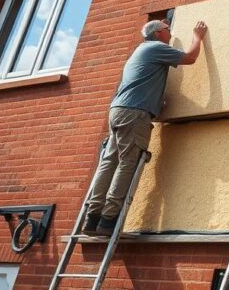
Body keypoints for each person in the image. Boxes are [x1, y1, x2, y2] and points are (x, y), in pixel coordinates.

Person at [82, 18, 208, 236]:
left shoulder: (139, 51)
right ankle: (108, 220)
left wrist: (155, 101)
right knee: (127, 163)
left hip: (119, 110)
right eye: (168, 29)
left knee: (109, 162)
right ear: (159, 33)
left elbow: (139, 83)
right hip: (134, 114)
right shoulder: (156, 47)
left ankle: (92, 218)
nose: (170, 32)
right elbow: (190, 57)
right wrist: (197, 37)